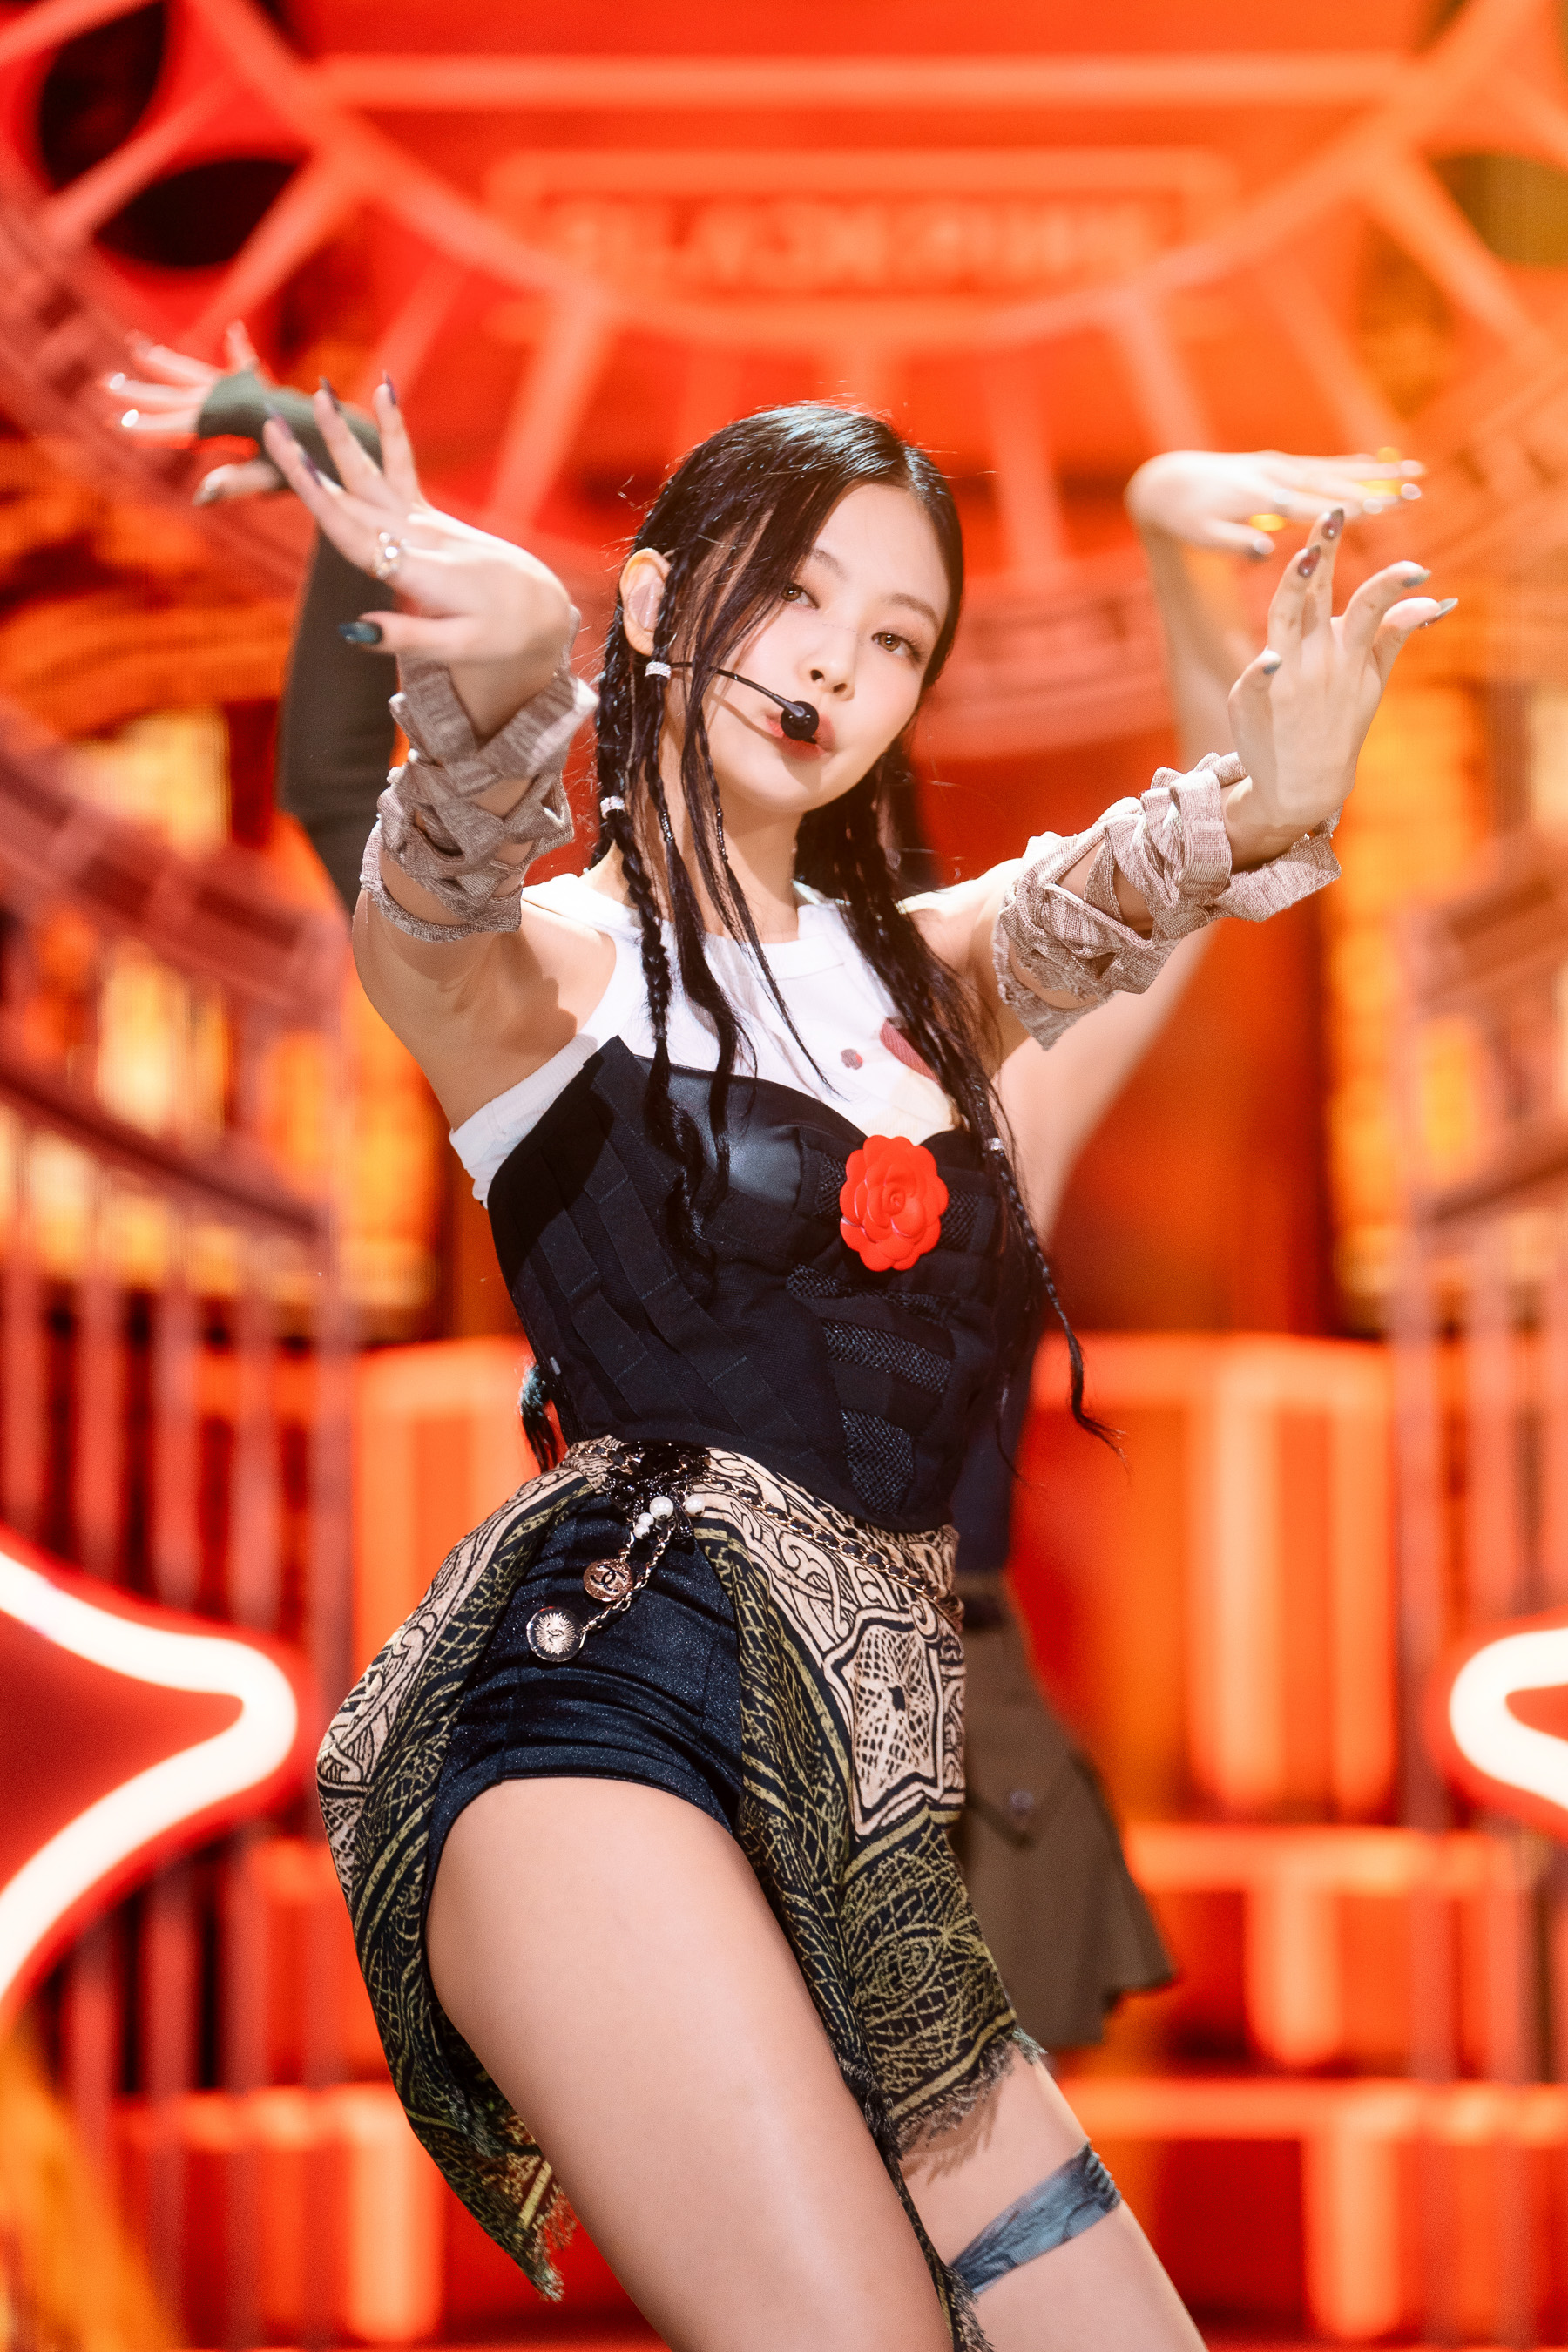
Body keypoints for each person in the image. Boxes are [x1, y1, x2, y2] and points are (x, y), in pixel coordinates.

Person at [117, 350, 1443, 2349]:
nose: (837, 659)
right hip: (605, 1740)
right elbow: (438, 871)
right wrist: (507, 658)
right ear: (660, 601)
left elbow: (1163, 868)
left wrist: (1274, 773)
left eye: (898, 636)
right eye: (796, 591)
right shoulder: (537, 976)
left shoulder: (930, 964)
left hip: (874, 1807)